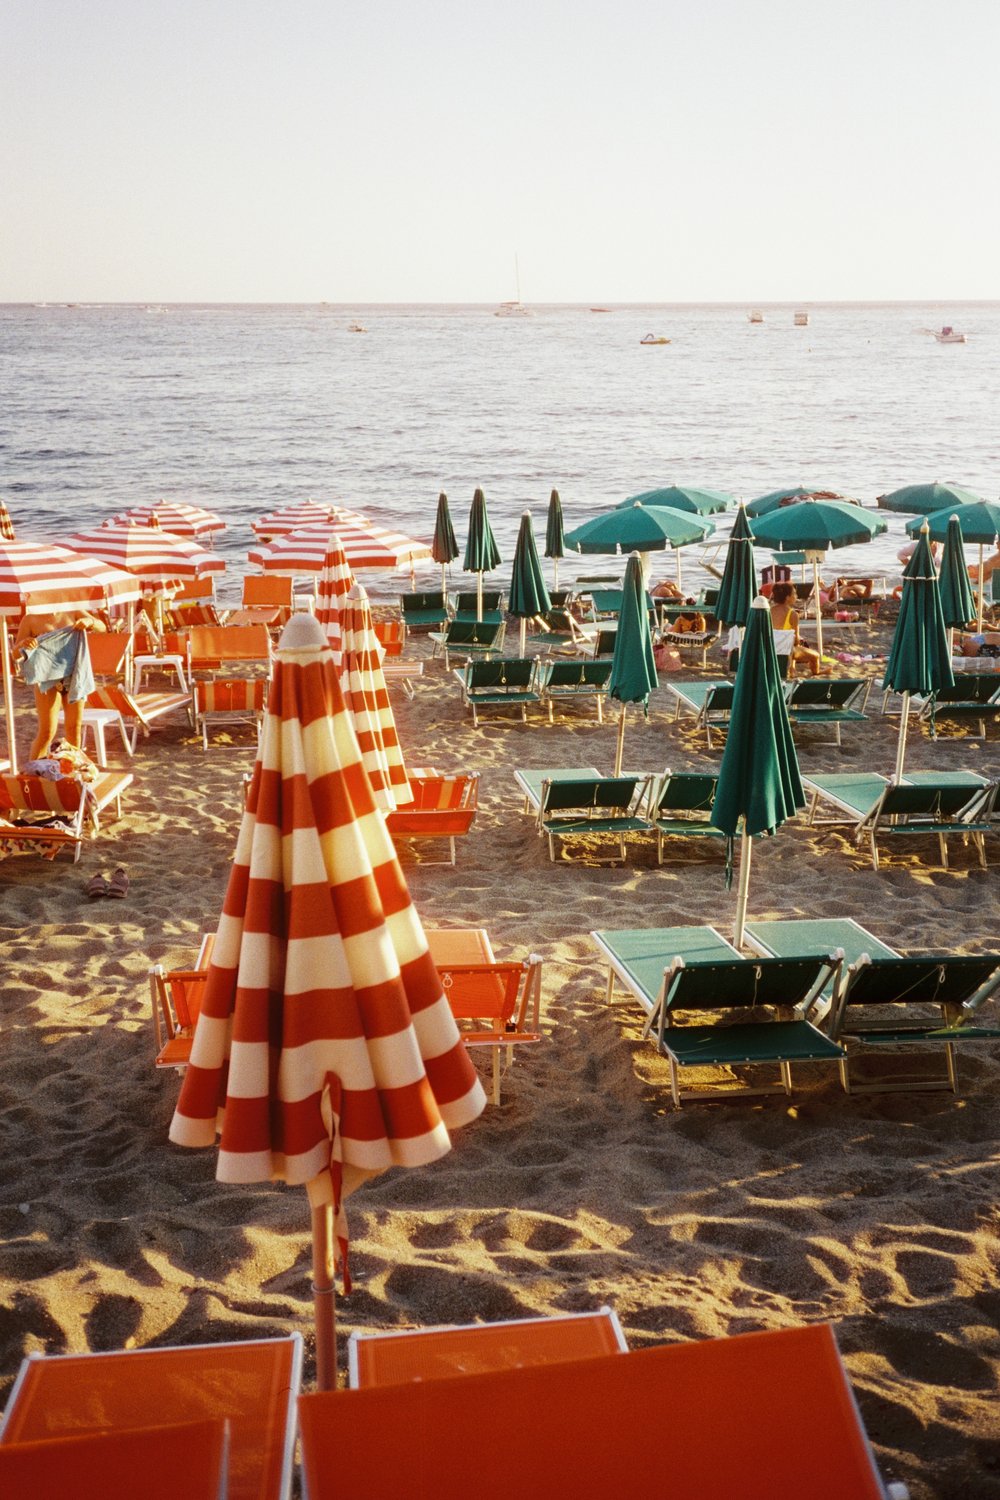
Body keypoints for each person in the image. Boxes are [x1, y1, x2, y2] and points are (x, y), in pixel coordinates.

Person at [14, 607, 107, 760]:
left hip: (74, 674)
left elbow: (102, 627)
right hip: (46, 678)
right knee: (47, 731)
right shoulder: (30, 619)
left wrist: (89, 621)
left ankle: (72, 772)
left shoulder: (73, 611)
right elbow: (15, 653)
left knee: (74, 729)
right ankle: (34, 772)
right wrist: (23, 644)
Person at [768, 581, 823, 676]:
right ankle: (816, 673)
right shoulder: (792, 614)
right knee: (815, 656)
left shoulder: (769, 611)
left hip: (770, 648)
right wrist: (799, 642)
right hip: (787, 651)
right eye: (794, 593)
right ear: (787, 597)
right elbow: (796, 641)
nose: (796, 596)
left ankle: (792, 668)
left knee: (789, 644)